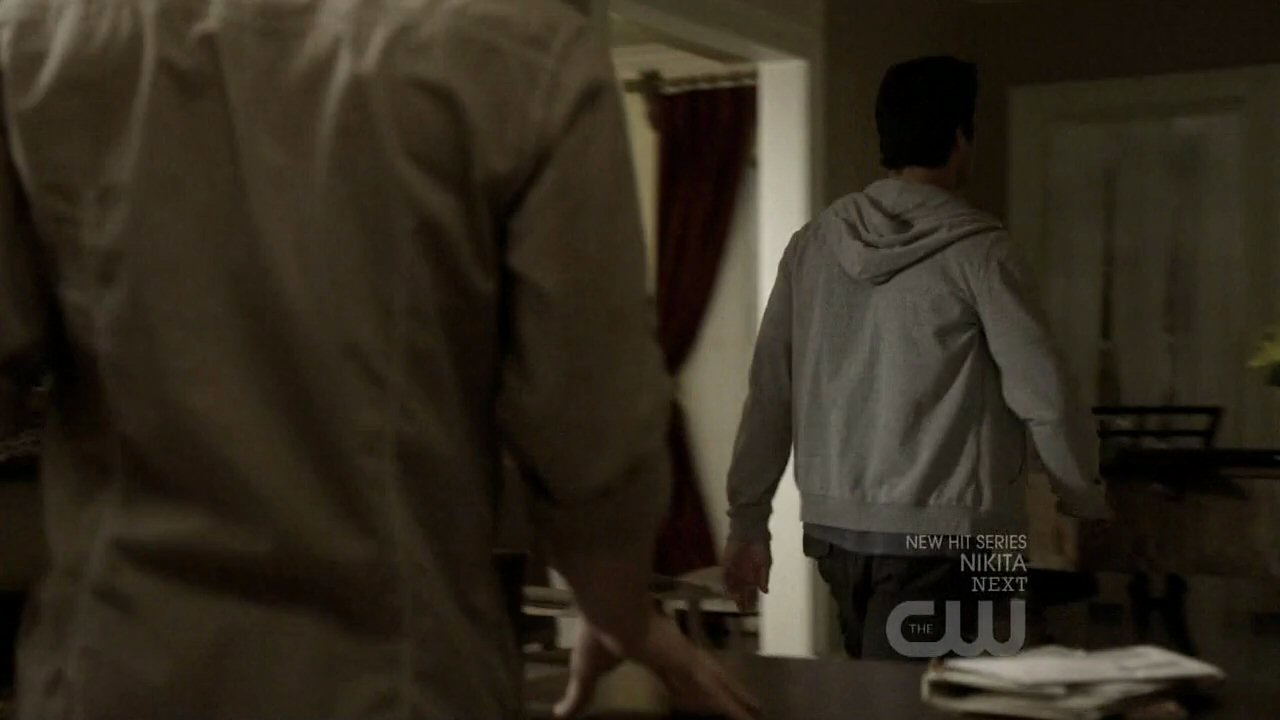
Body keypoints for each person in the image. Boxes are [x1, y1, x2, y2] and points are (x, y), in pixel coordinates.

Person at [0, 1, 757, 718]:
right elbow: (592, 427)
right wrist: (615, 603)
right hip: (393, 680)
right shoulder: (521, 53)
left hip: (113, 669)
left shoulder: (34, 40)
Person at [721, 56, 1111, 659]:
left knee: (883, 693)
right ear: (960, 135)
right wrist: (1082, 496)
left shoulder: (812, 246)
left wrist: (748, 520)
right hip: (971, 535)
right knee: (976, 691)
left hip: (837, 530)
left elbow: (771, 392)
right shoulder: (982, 252)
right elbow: (1046, 396)